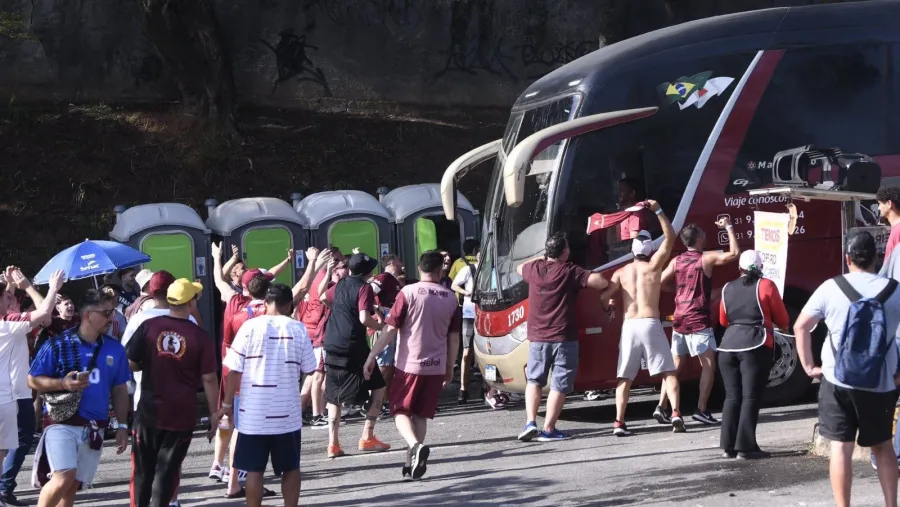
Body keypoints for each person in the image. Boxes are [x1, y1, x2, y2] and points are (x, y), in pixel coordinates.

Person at [795, 231, 900, 507]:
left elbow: (801, 326)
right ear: (876, 257)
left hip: (836, 379)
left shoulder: (831, 288)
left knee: (841, 448)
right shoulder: (895, 290)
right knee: (884, 447)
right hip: (881, 383)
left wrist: (809, 366)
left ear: (847, 258)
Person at [28, 287, 131, 507]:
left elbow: (119, 389)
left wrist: (122, 425)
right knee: (63, 477)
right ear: (88, 315)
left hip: (95, 426)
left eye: (112, 312)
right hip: (60, 422)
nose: (111, 318)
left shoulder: (115, 349)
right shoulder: (58, 344)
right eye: (106, 313)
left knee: (73, 483)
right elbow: (33, 379)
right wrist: (62, 383)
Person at [126, 279, 221, 507]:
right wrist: (214, 414)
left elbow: (130, 361)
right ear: (190, 302)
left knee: (142, 472)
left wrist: (150, 365)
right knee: (167, 473)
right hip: (181, 415)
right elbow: (209, 378)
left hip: (148, 411)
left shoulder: (149, 326)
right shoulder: (200, 336)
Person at [365, 251, 460, 480]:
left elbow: (391, 329)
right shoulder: (450, 298)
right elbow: (454, 337)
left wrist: (372, 355)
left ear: (419, 269)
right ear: (441, 270)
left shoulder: (408, 292)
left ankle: (415, 447)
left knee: (399, 411)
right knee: (420, 415)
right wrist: (450, 366)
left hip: (409, 365)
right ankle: (412, 460)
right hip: (436, 365)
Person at [222, 284, 317, 507]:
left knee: (254, 470)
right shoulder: (298, 329)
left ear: (265, 303)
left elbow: (233, 371)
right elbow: (310, 369)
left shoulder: (249, 327)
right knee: (291, 467)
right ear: (290, 305)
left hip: (253, 415)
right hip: (287, 415)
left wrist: (226, 405)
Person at [516, 232, 610, 442]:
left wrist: (543, 257)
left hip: (538, 337)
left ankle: (530, 422)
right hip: (563, 337)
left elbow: (519, 267)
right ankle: (549, 429)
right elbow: (600, 282)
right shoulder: (570, 271)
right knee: (559, 384)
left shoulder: (534, 268)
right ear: (565, 252)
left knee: (534, 380)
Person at [600, 200, 683, 436]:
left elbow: (604, 297)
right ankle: (675, 413)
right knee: (668, 372)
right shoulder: (654, 267)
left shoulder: (621, 272)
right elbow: (670, 237)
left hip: (630, 326)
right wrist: (658, 210)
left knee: (624, 378)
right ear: (649, 250)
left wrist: (609, 308)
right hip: (650, 322)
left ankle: (619, 422)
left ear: (633, 250)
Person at [120, 271, 198, 507]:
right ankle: (172, 500)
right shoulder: (188, 318)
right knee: (172, 460)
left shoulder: (141, 320)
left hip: (146, 400)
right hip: (181, 402)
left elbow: (126, 359)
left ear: (150, 292)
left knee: (143, 463)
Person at [656, 217, 739, 426]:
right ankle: (701, 409)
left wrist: (678, 291)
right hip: (698, 319)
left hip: (680, 317)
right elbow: (734, 254)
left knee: (675, 366)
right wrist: (729, 227)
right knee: (708, 365)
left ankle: (661, 406)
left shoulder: (676, 261)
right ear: (699, 239)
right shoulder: (705, 259)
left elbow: (659, 282)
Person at [717, 250, 789, 459]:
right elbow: (783, 319)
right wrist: (780, 326)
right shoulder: (766, 285)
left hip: (728, 347)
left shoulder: (727, 287)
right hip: (754, 345)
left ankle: (729, 447)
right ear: (761, 268)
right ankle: (746, 447)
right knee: (750, 396)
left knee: (732, 397)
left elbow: (723, 320)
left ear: (739, 268)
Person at [0, 268, 62, 507]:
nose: (10, 299)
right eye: (6, 297)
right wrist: (53, 287)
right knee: (17, 441)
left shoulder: (9, 322)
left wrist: (10, 285)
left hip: (13, 393)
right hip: (11, 395)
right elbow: (45, 313)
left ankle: (4, 489)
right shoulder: (9, 324)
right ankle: (4, 488)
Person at [321, 253, 390, 458]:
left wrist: (341, 312)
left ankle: (333, 444)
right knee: (378, 386)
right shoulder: (364, 287)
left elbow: (323, 297)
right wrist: (382, 327)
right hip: (353, 345)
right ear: (368, 272)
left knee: (334, 394)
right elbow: (364, 318)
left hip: (331, 342)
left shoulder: (341, 284)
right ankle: (367, 436)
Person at [369, 254, 405, 417]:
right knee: (383, 364)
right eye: (399, 260)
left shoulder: (393, 279)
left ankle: (385, 402)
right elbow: (367, 295)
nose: (401, 263)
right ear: (392, 262)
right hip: (385, 326)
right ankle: (373, 403)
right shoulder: (383, 277)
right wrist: (379, 314)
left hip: (393, 324)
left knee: (389, 365)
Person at [451, 246, 479, 404]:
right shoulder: (468, 269)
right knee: (467, 352)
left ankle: (490, 388)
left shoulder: (492, 270)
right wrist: (466, 293)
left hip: (487, 313)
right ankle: (463, 388)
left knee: (486, 352)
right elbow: (454, 285)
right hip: (469, 313)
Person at [877, 186, 900, 263]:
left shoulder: (898, 230)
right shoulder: (896, 229)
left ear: (889, 204)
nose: (878, 208)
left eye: (880, 203)